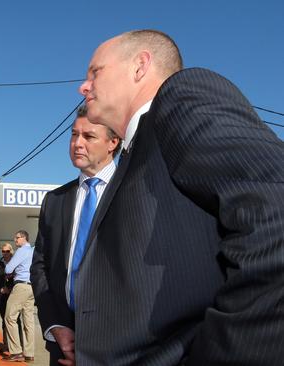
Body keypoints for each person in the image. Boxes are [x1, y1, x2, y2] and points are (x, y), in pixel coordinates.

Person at [71, 29, 284, 365]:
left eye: (95, 72)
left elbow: (275, 218)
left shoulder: (181, 98)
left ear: (140, 66)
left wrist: (220, 354)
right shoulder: (133, 153)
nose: (84, 86)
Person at [30, 105, 120, 366]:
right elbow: (41, 267)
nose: (77, 143)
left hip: (116, 348)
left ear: (113, 142)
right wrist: (55, 325)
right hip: (63, 343)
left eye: (89, 136)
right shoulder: (55, 200)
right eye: (73, 135)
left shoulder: (133, 193)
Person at [2, 230, 35, 362]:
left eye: (17, 238)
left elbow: (8, 269)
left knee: (9, 317)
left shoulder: (22, 251)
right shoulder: (33, 251)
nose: (15, 240)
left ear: (24, 238)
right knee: (29, 321)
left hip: (21, 286)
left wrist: (11, 271)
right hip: (32, 287)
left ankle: (16, 352)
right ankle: (29, 353)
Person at [0, 242, 15, 352]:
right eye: (3, 251)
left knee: (14, 320)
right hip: (1, 295)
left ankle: (15, 345)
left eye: (7, 251)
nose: (5, 253)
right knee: (4, 320)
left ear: (11, 251)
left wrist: (9, 288)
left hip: (13, 294)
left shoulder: (16, 262)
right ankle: (6, 344)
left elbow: (16, 278)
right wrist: (1, 289)